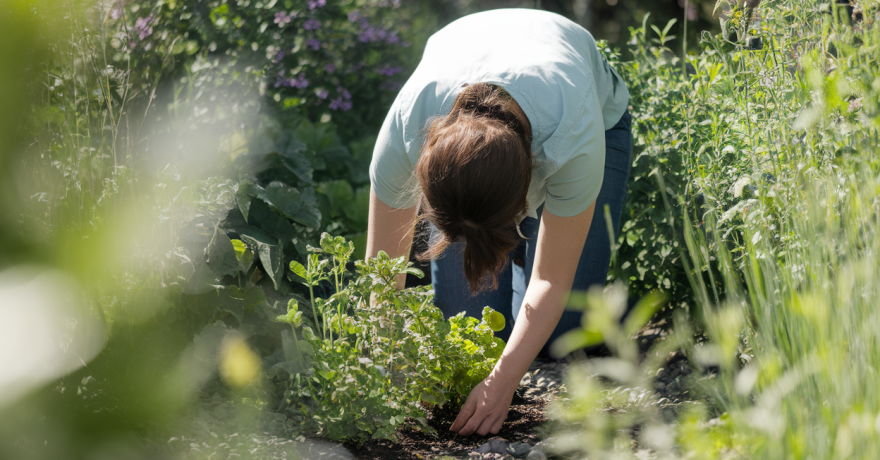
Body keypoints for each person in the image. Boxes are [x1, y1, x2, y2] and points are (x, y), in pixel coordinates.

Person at [366, 8, 632, 437]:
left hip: (594, 114)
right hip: (469, 47)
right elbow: (381, 274)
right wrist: (392, 367)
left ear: (524, 199)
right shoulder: (406, 129)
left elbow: (552, 281)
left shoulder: (573, 140)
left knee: (563, 337)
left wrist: (501, 383)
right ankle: (517, 290)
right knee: (470, 333)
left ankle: (594, 293)